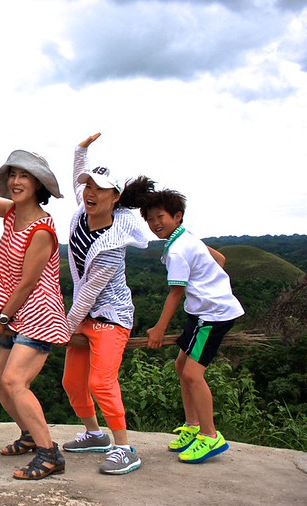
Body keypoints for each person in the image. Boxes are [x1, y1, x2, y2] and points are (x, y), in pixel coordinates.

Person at [61, 132, 153, 475]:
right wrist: (80, 149)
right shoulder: (84, 210)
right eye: (89, 186)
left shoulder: (114, 242)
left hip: (111, 316)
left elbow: (88, 293)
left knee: (101, 382)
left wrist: (64, 328)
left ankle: (125, 447)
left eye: (99, 189)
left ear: (115, 197)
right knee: (72, 382)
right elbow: (78, 178)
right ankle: (94, 434)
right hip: (84, 316)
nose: (90, 192)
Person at [0, 148, 70, 480]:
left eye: (24, 176)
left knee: (14, 381)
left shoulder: (41, 230)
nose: (16, 181)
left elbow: (28, 283)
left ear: (38, 183)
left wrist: (1, 318)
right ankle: (30, 435)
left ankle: (49, 454)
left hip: (39, 314)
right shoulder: (12, 213)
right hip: (14, 312)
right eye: (13, 175)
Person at [142, 189, 244, 463]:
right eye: (150, 219)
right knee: (181, 366)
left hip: (212, 316)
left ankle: (210, 436)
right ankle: (193, 426)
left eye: (160, 217)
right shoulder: (186, 238)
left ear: (178, 216)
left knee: (192, 374)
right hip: (201, 313)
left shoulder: (178, 250)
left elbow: (176, 292)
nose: (155, 223)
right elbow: (220, 260)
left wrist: (159, 329)